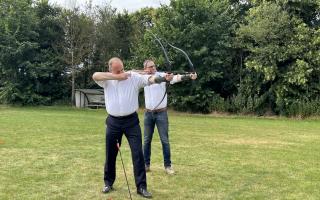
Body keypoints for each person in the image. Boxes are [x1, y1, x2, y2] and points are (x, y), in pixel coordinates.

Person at [92, 57, 172, 198]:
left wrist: (163, 78)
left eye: (123, 69)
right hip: (113, 122)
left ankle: (141, 187)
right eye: (118, 70)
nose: (122, 72)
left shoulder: (133, 77)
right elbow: (95, 75)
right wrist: (116, 76)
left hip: (131, 122)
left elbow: (150, 79)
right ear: (111, 70)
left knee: (138, 154)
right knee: (110, 154)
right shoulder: (106, 80)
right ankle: (108, 183)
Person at [142, 59, 197, 175]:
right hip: (148, 114)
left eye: (154, 66)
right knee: (146, 140)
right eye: (150, 67)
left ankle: (168, 166)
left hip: (161, 113)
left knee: (165, 140)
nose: (153, 68)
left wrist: (189, 76)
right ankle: (146, 165)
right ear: (145, 69)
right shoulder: (143, 78)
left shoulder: (162, 75)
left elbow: (175, 78)